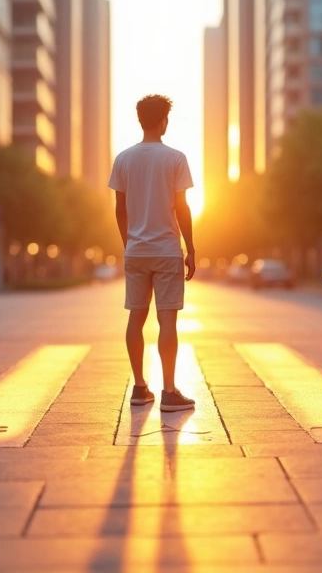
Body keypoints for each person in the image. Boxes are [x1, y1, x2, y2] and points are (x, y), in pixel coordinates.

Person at [108, 94, 197, 412]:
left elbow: (120, 209)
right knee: (167, 319)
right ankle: (169, 392)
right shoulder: (175, 158)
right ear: (163, 121)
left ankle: (139, 387)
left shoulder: (124, 159)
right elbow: (182, 208)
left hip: (137, 250)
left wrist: (127, 243)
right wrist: (190, 248)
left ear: (139, 119)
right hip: (167, 250)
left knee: (136, 316)